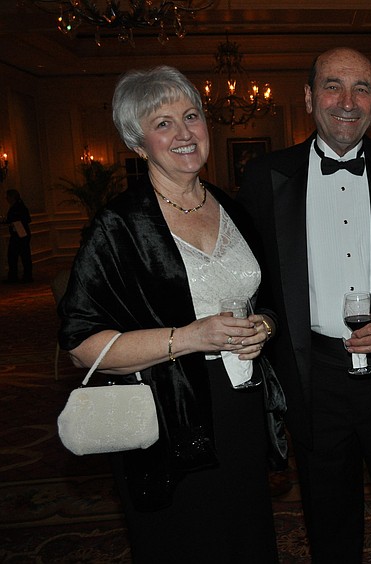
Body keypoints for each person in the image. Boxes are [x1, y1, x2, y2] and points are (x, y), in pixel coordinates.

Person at [58, 66, 283, 563]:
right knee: (185, 543)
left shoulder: (234, 209)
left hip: (242, 408)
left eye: (192, 116)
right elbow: (80, 344)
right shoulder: (118, 225)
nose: (184, 133)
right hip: (167, 416)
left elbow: (268, 300)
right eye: (163, 123)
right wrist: (186, 337)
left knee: (246, 538)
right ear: (138, 143)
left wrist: (264, 326)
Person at [237, 47, 371, 563]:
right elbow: (252, 285)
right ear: (309, 97)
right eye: (333, 86)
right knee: (328, 525)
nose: (347, 102)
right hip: (315, 376)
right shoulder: (265, 177)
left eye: (362, 89)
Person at [3, 189, 32, 283]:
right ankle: (24, 276)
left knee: (17, 256)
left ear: (12, 197)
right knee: (22, 256)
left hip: (20, 235)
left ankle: (17, 276)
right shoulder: (19, 206)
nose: (6, 198)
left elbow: (26, 219)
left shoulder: (18, 207)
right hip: (21, 234)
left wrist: (13, 222)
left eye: (7, 196)